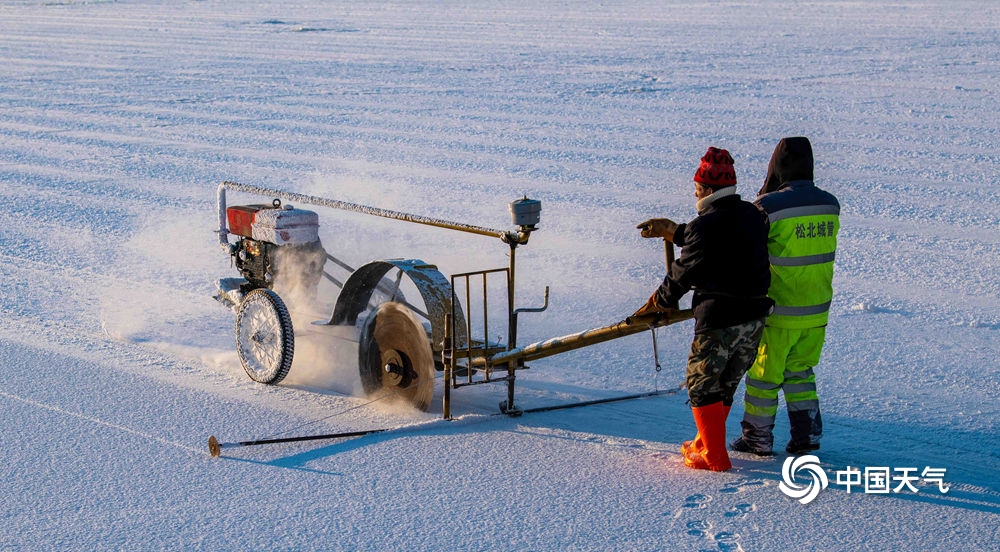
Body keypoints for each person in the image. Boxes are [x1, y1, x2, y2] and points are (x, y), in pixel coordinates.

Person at [634, 146, 772, 472]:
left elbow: (684, 273)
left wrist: (659, 303)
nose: (694, 192)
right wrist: (676, 231)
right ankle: (704, 443)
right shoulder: (753, 216)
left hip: (719, 320)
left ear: (708, 190)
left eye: (696, 187)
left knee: (701, 384)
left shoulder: (704, 227)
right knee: (724, 383)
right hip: (753, 320)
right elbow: (722, 236)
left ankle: (713, 456)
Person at [730, 136, 840, 456]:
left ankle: (757, 437)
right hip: (817, 309)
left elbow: (747, 252)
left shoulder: (768, 206)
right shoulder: (829, 204)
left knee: (764, 375)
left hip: (779, 309)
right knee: (800, 372)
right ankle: (807, 436)